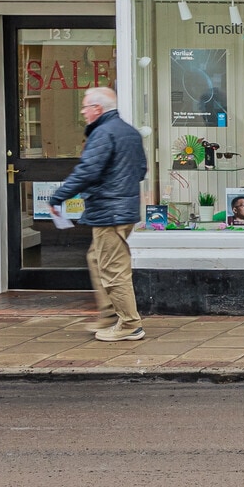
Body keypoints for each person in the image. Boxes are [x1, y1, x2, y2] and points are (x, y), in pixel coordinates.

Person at [48, 86, 149, 342]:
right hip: (123, 210)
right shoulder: (129, 132)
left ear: (98, 108)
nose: (83, 112)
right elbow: (141, 170)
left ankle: (129, 324)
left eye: (85, 107)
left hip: (109, 212)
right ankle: (109, 315)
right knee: (96, 258)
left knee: (113, 269)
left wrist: (59, 196)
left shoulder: (103, 133)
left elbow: (87, 171)